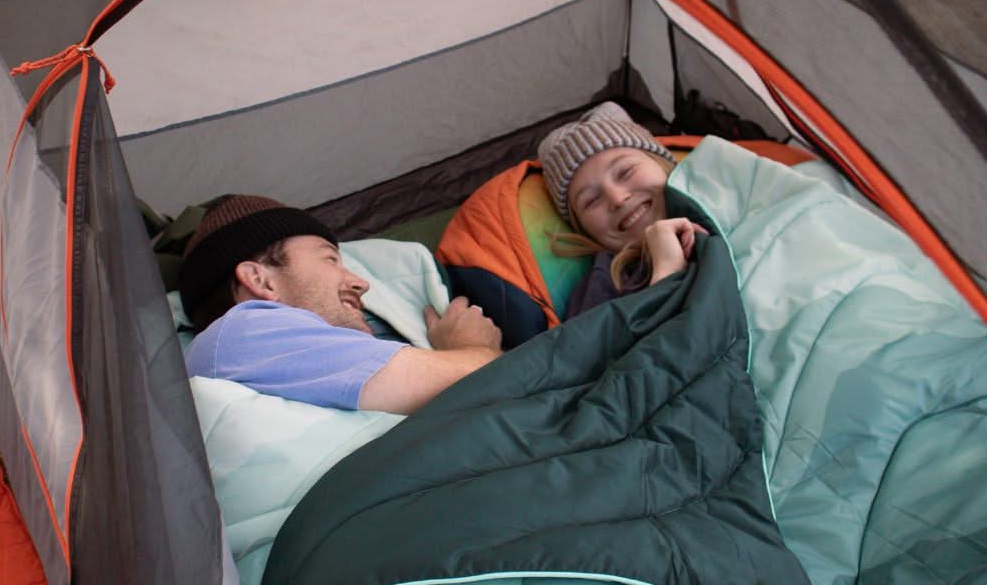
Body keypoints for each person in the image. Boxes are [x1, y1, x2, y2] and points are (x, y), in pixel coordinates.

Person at [179, 195, 502, 415]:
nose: (361, 283)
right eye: (330, 259)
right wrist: (473, 347)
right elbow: (481, 379)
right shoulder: (239, 335)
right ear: (260, 280)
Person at [537, 101, 706, 317]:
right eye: (591, 200)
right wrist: (667, 271)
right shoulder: (604, 286)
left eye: (625, 172)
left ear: (661, 162)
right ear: (582, 228)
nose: (616, 199)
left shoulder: (723, 192)